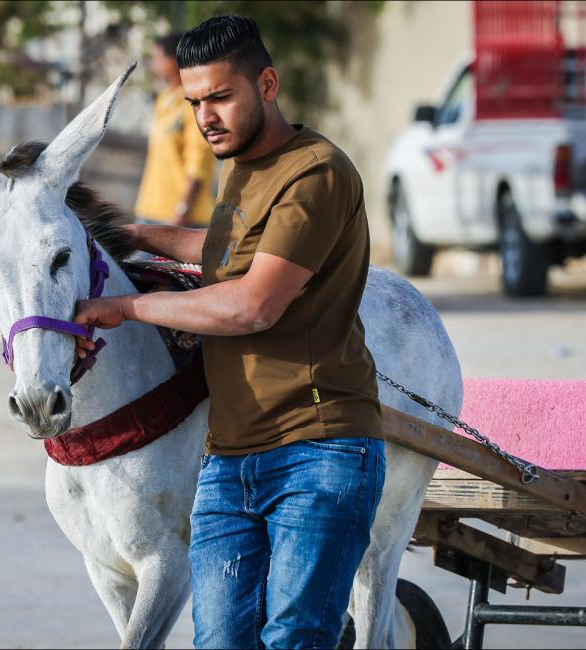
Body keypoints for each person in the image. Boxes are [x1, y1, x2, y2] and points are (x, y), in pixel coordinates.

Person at [73, 15, 384, 649]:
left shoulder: (315, 174)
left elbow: (252, 304)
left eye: (220, 96)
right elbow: (222, 250)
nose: (205, 117)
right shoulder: (242, 166)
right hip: (229, 459)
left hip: (318, 451)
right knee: (217, 643)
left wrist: (127, 310)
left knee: (293, 639)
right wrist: (126, 234)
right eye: (194, 102)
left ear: (266, 84)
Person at [133, 32, 217, 226]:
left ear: (173, 60)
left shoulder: (195, 103)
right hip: (150, 210)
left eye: (157, 57)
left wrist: (183, 209)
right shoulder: (165, 98)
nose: (153, 63)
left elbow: (198, 162)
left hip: (182, 217)